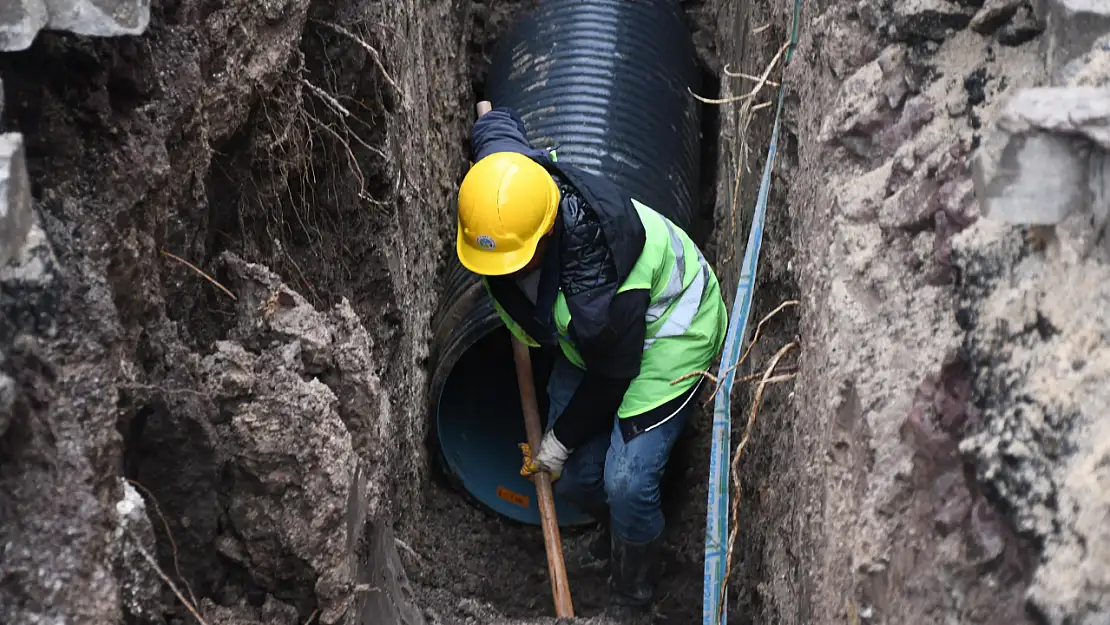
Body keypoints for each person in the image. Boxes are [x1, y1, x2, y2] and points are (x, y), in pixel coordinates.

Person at [455, 104, 728, 618]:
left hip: (669, 330)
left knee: (625, 482)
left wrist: (557, 441)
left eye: (513, 261)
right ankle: (614, 532)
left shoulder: (595, 292)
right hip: (594, 341)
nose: (503, 273)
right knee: (580, 479)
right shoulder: (513, 184)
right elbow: (496, 128)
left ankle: (634, 596)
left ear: (545, 234)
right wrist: (485, 128)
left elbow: (612, 375)